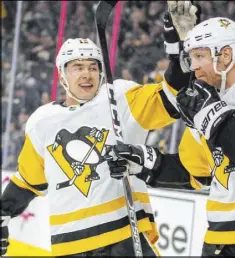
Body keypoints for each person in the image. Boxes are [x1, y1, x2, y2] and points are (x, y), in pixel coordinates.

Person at [107, 16, 235, 256]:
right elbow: (194, 171)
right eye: (191, 58)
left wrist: (213, 114)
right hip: (220, 237)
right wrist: (146, 162)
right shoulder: (204, 104)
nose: (193, 66)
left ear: (225, 55)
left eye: (199, 57)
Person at [0, 34, 189, 256]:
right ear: (62, 75)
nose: (86, 73)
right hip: (69, 246)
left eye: (92, 66)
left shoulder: (120, 97)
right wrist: (3, 211)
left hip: (123, 238)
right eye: (77, 67)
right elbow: (28, 180)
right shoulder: (41, 121)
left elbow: (171, 97)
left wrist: (179, 53)